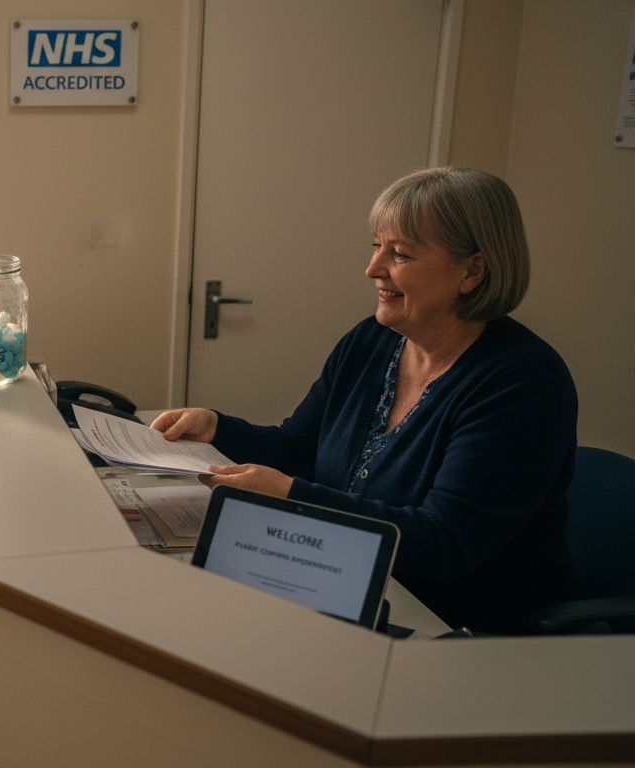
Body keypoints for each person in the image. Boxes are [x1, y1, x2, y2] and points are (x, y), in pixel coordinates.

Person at [153, 167, 577, 634]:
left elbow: (445, 544)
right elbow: (298, 449)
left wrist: (291, 495)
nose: (373, 269)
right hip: (345, 584)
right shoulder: (372, 341)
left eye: (400, 254)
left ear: (473, 271)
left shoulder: (524, 383)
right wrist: (217, 427)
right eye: (376, 246)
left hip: (460, 627)